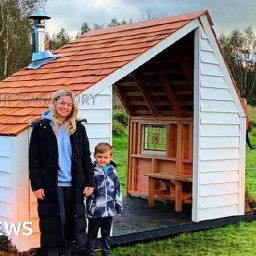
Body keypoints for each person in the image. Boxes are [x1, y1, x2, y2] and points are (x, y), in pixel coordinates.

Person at [29, 89, 95, 256]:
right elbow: (34, 159)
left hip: (74, 185)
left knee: (71, 223)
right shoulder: (42, 127)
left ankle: (66, 253)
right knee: (55, 223)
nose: (65, 106)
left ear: (73, 107)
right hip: (52, 184)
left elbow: (86, 158)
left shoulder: (78, 129)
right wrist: (37, 184)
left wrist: (89, 182)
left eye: (69, 104)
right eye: (62, 103)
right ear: (55, 103)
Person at [86, 143, 123, 256]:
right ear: (95, 156)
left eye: (105, 157)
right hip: (95, 211)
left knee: (106, 234)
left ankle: (106, 253)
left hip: (109, 211)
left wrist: (119, 208)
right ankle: (90, 253)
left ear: (111, 157)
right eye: (99, 157)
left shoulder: (113, 172)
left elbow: (118, 190)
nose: (102, 160)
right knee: (92, 234)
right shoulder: (91, 171)